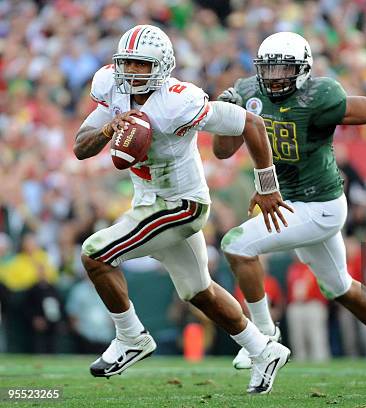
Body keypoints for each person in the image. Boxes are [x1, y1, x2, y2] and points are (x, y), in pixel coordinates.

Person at [214, 32, 366, 389]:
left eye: (283, 69)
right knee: (340, 287)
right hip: (292, 203)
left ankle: (264, 334)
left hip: (320, 205)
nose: (274, 77)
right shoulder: (248, 92)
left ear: (302, 70)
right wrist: (228, 113)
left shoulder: (318, 97)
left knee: (236, 245)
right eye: (268, 69)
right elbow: (223, 152)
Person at [73, 24, 291, 394]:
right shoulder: (111, 86)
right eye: (126, 63)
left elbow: (250, 123)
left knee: (95, 254)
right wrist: (109, 128)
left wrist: (267, 185)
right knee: (198, 291)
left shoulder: (178, 101)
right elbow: (81, 147)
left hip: (181, 204)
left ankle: (131, 337)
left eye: (141, 65)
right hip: (148, 203)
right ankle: (263, 349)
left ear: (161, 66)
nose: (131, 72)